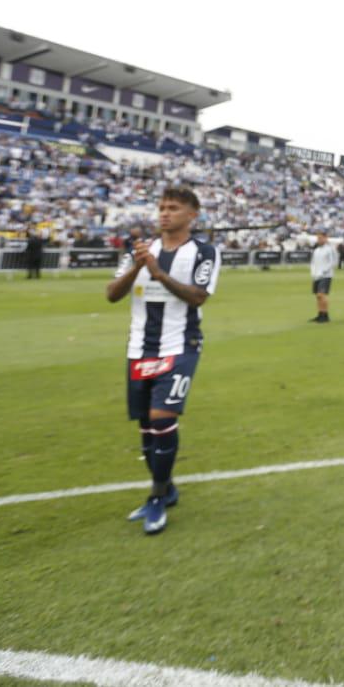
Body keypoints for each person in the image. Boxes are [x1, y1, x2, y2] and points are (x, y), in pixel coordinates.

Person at [104, 186, 219, 535]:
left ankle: (156, 497)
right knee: (146, 429)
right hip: (140, 348)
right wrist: (136, 267)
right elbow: (112, 294)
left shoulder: (204, 252)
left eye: (173, 208)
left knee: (162, 417)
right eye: (162, 207)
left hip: (180, 345)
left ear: (192, 215)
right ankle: (166, 488)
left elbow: (197, 297)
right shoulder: (140, 250)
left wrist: (158, 273)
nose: (165, 213)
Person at [309, 231, 335, 323]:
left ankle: (325, 315)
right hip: (316, 275)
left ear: (325, 238)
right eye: (318, 238)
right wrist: (313, 272)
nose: (318, 240)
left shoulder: (329, 249)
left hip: (326, 275)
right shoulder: (317, 250)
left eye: (320, 238)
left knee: (322, 294)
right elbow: (313, 262)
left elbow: (332, 262)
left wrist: (324, 271)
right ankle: (320, 314)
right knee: (318, 296)